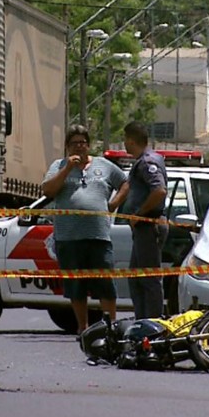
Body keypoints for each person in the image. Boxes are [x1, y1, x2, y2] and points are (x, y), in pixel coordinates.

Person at [42, 124, 129, 336]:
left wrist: (113, 204)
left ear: (88, 145)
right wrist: (67, 169)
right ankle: (83, 327)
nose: (79, 147)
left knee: (105, 285)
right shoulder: (59, 165)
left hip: (98, 235)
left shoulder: (103, 165)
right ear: (67, 147)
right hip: (68, 237)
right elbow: (48, 190)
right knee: (76, 287)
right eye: (74, 144)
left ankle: (111, 328)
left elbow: (126, 183)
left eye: (82, 143)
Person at [122, 121, 169, 319]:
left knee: (149, 279)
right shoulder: (146, 160)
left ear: (131, 141)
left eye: (125, 140)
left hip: (148, 225)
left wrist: (139, 214)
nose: (124, 144)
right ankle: (142, 320)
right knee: (135, 277)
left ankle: (153, 324)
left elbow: (159, 191)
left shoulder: (147, 163)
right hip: (143, 227)